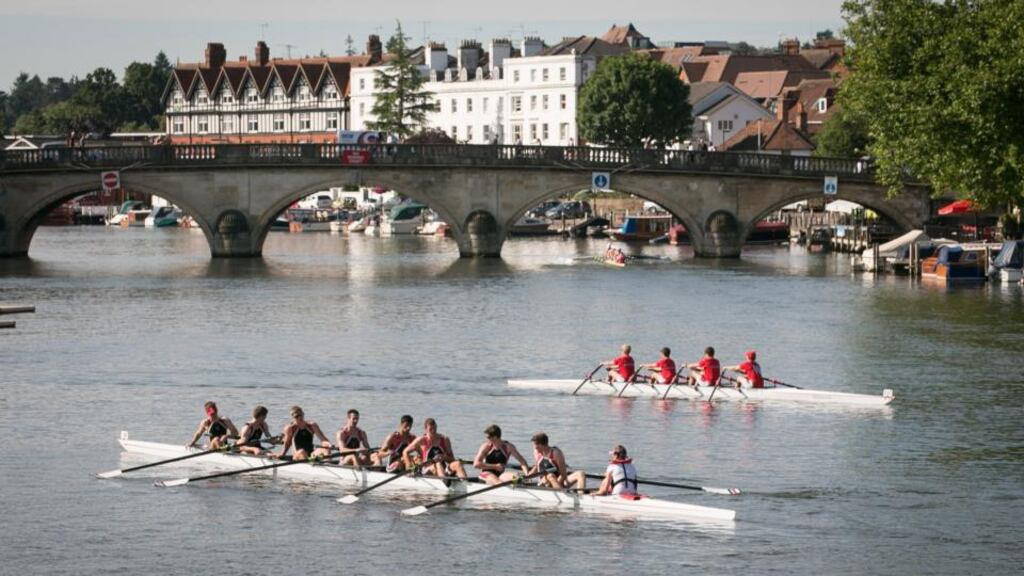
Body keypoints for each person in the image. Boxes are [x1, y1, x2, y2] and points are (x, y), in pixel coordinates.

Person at [402, 418, 468, 479]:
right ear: (425, 429)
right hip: (427, 469)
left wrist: (445, 457)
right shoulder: (421, 440)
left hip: (443, 469)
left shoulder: (445, 439)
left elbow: (452, 460)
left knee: (457, 463)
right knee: (437, 463)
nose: (433, 431)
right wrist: (409, 468)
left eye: (435, 428)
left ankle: (466, 484)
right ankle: (444, 482)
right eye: (431, 429)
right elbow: (405, 452)